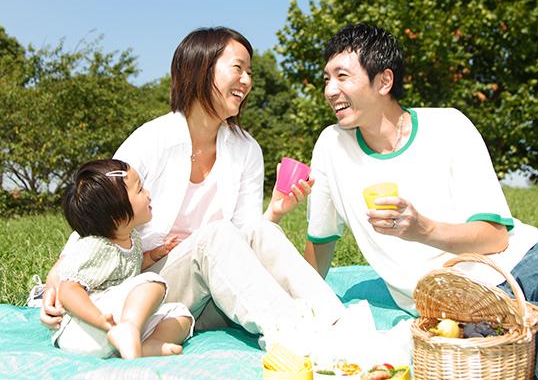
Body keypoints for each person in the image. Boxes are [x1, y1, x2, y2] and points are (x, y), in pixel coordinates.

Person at [303, 23, 538, 379]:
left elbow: (496, 237)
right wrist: (300, 308)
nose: (329, 90)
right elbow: (320, 242)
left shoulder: (448, 126)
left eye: (341, 76)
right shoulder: (330, 147)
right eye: (326, 79)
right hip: (457, 302)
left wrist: (421, 228)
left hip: (527, 259)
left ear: (383, 81)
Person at [42, 27, 346, 340]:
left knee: (263, 230)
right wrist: (58, 277)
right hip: (146, 295)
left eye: (249, 72)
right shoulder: (152, 140)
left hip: (212, 300)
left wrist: (275, 213)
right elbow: (100, 209)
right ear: (200, 70)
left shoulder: (246, 150)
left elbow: (246, 238)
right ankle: (301, 338)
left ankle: (340, 323)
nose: (246, 80)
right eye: (237, 68)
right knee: (212, 236)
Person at [53, 158, 193, 359]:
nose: (148, 193)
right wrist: (102, 321)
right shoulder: (94, 246)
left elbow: (131, 266)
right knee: (153, 282)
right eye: (139, 189)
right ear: (117, 216)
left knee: (180, 314)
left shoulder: (131, 238)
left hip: (111, 331)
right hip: (85, 328)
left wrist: (156, 254)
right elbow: (67, 290)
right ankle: (129, 330)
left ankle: (147, 346)